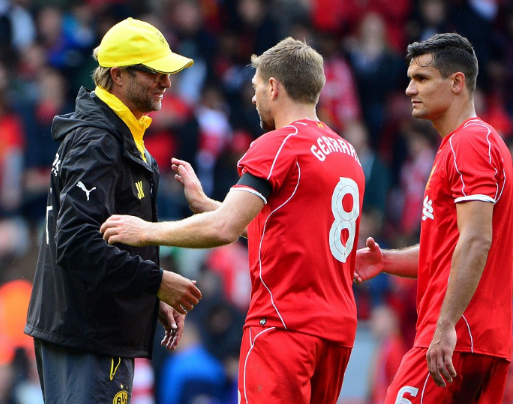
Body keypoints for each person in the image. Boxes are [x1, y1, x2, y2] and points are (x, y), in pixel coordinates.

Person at [101, 37, 366, 404]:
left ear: (273, 87)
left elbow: (224, 229)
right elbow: (279, 230)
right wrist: (208, 205)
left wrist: (143, 231)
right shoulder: (346, 153)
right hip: (336, 332)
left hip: (283, 325)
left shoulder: (278, 144)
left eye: (256, 87)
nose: (253, 98)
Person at [23, 18, 202, 404]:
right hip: (87, 335)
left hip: (89, 331)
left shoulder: (112, 135)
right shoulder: (98, 141)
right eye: (154, 72)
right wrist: (155, 281)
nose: (166, 83)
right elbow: (77, 244)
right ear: (118, 75)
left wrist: (149, 295)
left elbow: (106, 239)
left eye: (167, 72)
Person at [354, 33, 513, 403]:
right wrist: (385, 260)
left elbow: (477, 240)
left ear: (457, 82)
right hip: (481, 340)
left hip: (455, 338)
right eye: (410, 78)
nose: (410, 89)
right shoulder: (471, 143)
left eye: (422, 79)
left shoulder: (469, 143)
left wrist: (445, 326)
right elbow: (449, 249)